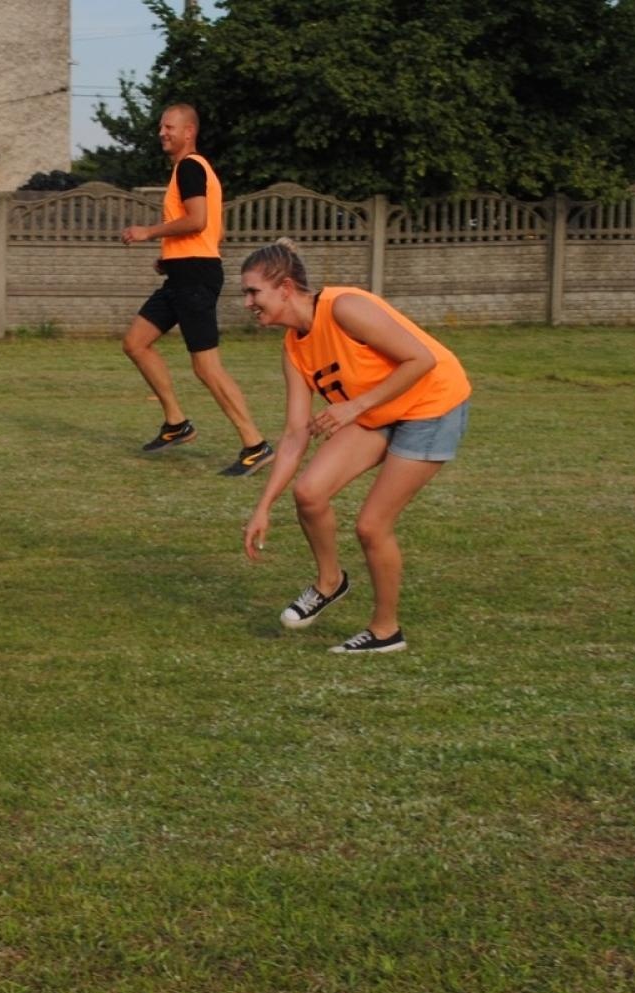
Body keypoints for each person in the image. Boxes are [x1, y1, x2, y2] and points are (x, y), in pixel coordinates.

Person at [238, 239, 472, 654]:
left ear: (286, 288)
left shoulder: (344, 307)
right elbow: (295, 435)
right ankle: (330, 581)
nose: (247, 302)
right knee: (308, 493)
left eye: (253, 291)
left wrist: (356, 406)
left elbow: (421, 360)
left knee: (371, 525)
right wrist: (263, 506)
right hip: (380, 410)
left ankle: (386, 632)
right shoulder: (294, 347)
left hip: (432, 404)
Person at [120, 103, 273, 476]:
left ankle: (255, 444)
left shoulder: (190, 167)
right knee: (136, 343)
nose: (162, 132)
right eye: (161, 127)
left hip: (195, 277)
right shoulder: (195, 171)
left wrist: (149, 233)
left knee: (206, 367)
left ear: (189, 131)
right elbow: (214, 232)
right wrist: (172, 257)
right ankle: (176, 423)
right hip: (184, 273)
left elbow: (198, 220)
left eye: (169, 127)